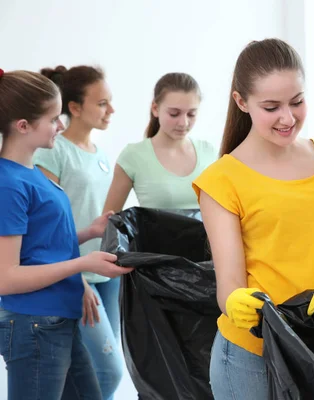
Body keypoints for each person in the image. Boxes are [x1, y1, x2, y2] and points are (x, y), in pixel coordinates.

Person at [192, 39, 314, 399]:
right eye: (271, 107)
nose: (288, 118)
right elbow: (229, 285)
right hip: (252, 354)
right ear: (242, 102)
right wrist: (236, 304)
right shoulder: (221, 181)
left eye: (297, 102)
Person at [0, 68, 133, 400]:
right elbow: (7, 277)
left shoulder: (31, 175)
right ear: (23, 126)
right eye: (51, 119)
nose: (60, 126)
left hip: (57, 319)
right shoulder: (9, 184)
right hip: (34, 324)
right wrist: (81, 266)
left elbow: (41, 247)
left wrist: (89, 231)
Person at [34, 65, 122, 400]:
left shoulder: (101, 155)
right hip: (77, 275)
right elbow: (49, 225)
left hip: (108, 275)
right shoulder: (52, 152)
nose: (110, 110)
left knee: (101, 370)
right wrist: (79, 279)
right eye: (102, 103)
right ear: (74, 107)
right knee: (107, 371)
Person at [103, 73, 216, 213]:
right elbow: (108, 222)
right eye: (174, 114)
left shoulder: (209, 152)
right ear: (155, 109)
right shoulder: (133, 156)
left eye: (191, 114)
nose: (184, 123)